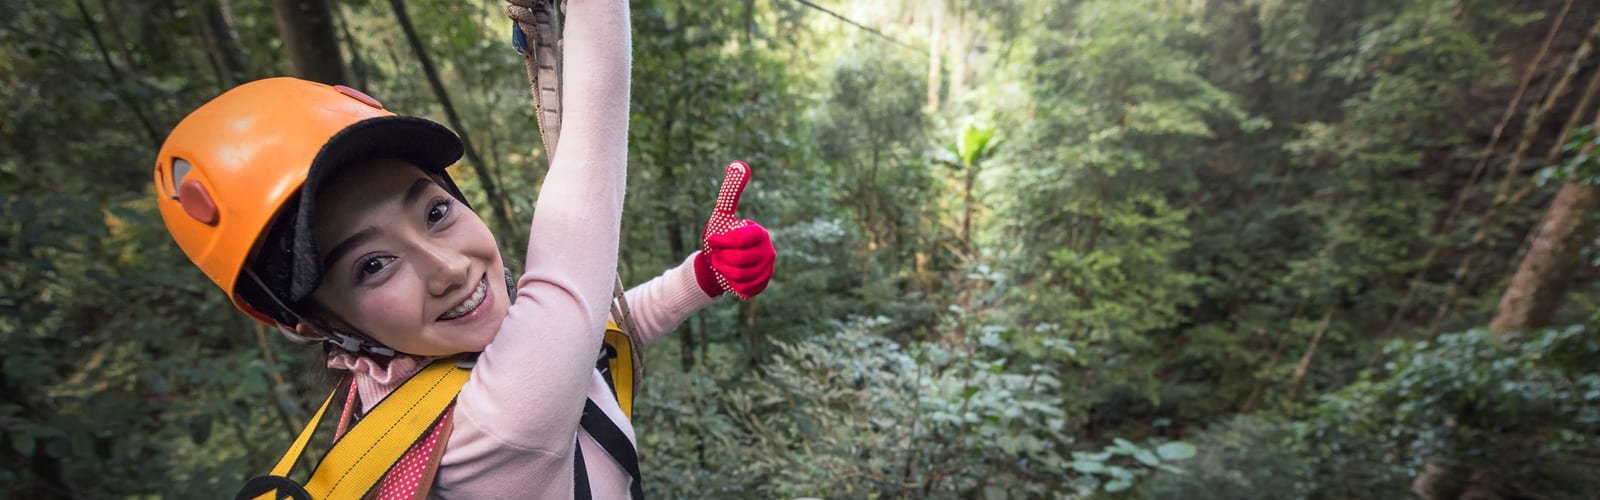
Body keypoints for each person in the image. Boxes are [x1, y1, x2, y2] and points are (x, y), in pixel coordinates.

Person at [150, 0, 775, 497]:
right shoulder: (496, 426)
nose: (448, 268)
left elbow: (592, 339)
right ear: (314, 323)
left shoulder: (391, 385)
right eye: (372, 266)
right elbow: (587, 177)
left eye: (435, 211)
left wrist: (703, 277)